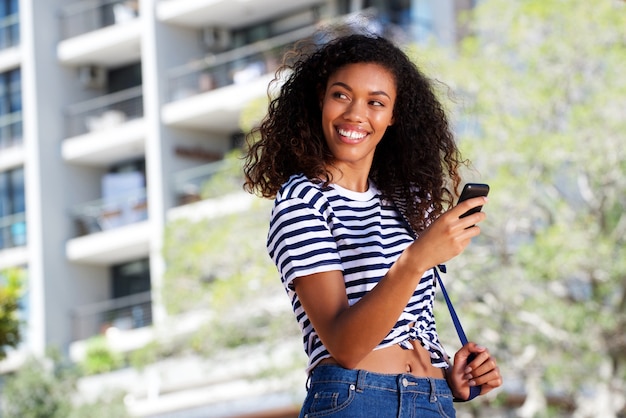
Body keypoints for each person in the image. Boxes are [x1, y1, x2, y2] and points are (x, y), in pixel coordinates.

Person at [243, 29, 502, 417]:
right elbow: (345, 345)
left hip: (433, 401)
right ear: (321, 99)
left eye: (375, 102)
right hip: (358, 399)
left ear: (394, 114)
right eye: (341, 95)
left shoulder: (403, 200)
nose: (355, 114)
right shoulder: (301, 202)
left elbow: (407, 319)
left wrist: (452, 379)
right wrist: (415, 259)